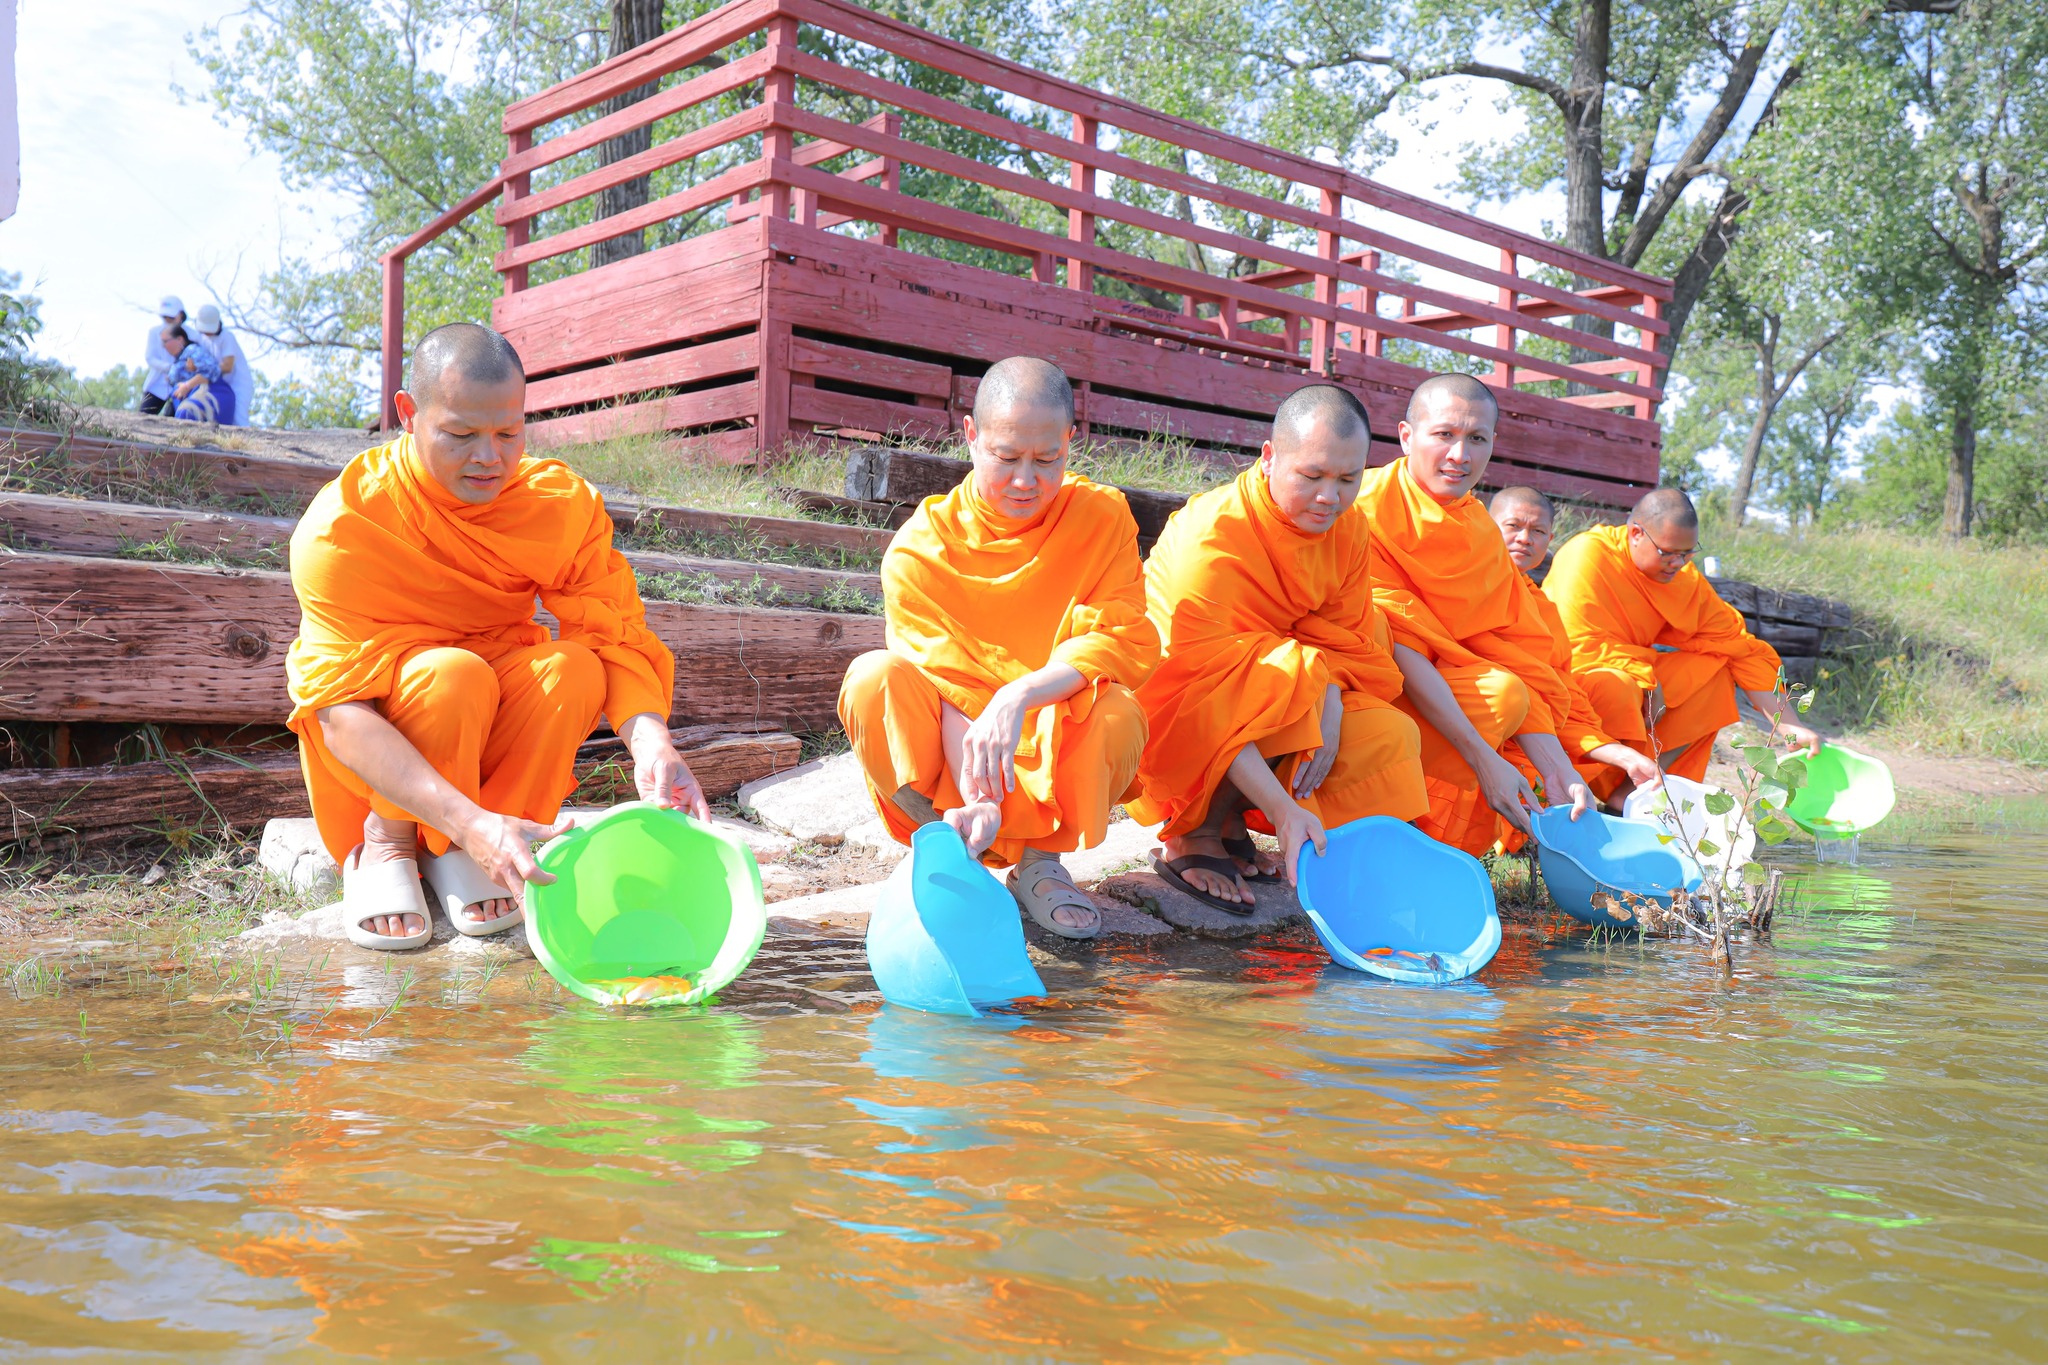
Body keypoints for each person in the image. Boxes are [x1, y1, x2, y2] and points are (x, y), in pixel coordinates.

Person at [287, 322, 705, 952]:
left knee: (572, 669)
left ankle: (479, 843)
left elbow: (611, 627)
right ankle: (391, 841)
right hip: (396, 733)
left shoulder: (554, 504)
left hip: (494, 715)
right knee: (452, 675)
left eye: (509, 434)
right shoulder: (345, 524)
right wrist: (462, 816)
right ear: (408, 413)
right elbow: (340, 713)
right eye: (460, 435)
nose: (490, 458)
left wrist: (651, 742)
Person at [837, 356, 1158, 941]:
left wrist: (1019, 695)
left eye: (1047, 460)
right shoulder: (920, 549)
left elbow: (1121, 639)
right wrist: (978, 797)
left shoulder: (1102, 518)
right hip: (954, 749)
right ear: (971, 436)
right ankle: (951, 844)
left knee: (1119, 713)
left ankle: (1039, 862)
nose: (1025, 482)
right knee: (872, 679)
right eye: (1006, 458)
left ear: (1070, 441)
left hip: (1050, 727)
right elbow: (947, 688)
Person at [1129, 384, 1425, 911]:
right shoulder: (1214, 536)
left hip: (1286, 690)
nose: (1329, 498)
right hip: (1172, 726)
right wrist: (1283, 807)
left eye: (1347, 479)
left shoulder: (1348, 528)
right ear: (1269, 458)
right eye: (1311, 477)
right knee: (1285, 678)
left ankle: (1237, 823)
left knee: (1387, 732)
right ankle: (1193, 833)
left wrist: (1329, 690)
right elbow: (1196, 688)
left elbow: (1348, 642)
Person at [1355, 373, 1594, 856]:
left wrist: (1556, 767)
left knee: (1504, 692)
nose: (1460, 456)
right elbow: (1400, 646)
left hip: (1435, 691)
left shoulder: (1480, 532)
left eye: (1477, 439)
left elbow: (1517, 652)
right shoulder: (1364, 509)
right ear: (1406, 436)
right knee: (1495, 696)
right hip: (1367, 687)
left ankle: (1432, 846)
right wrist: (1485, 760)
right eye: (1444, 435)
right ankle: (1374, 829)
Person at [1542, 487, 1821, 788]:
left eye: (1688, 553)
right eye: (1668, 553)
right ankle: (1564, 788)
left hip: (1635, 675)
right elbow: (1578, 647)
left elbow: (1740, 646)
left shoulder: (1681, 578)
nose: (1678, 563)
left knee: (1714, 674)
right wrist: (1646, 677)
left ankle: (1636, 793)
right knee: (1618, 686)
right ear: (1636, 533)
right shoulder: (1587, 556)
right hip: (1577, 681)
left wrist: (1790, 726)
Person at [1488, 485, 1665, 811]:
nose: (1526, 538)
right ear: (1484, 526)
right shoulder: (1464, 580)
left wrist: (1621, 754)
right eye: (1513, 526)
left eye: (1538, 531)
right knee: (1507, 694)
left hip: (1531, 726)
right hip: (1478, 720)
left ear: (1549, 540)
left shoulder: (1541, 610)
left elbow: (1559, 692)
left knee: (1613, 689)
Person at [191, 304, 252, 427]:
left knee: (238, 418)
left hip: (237, 384)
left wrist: (207, 371)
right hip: (218, 386)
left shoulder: (227, 337)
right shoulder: (201, 338)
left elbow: (228, 366)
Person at [162, 326, 227, 423]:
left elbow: (212, 370)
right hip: (189, 400)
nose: (163, 345)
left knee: (186, 414)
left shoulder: (192, 350)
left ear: (180, 339)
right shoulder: (180, 358)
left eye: (165, 341)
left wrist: (187, 386)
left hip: (210, 398)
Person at [140, 295, 184, 415]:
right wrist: (169, 368)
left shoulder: (191, 334)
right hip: (157, 384)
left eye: (171, 317)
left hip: (181, 386)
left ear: (181, 315)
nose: (168, 320)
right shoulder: (154, 332)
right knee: (143, 416)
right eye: (165, 317)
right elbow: (150, 357)